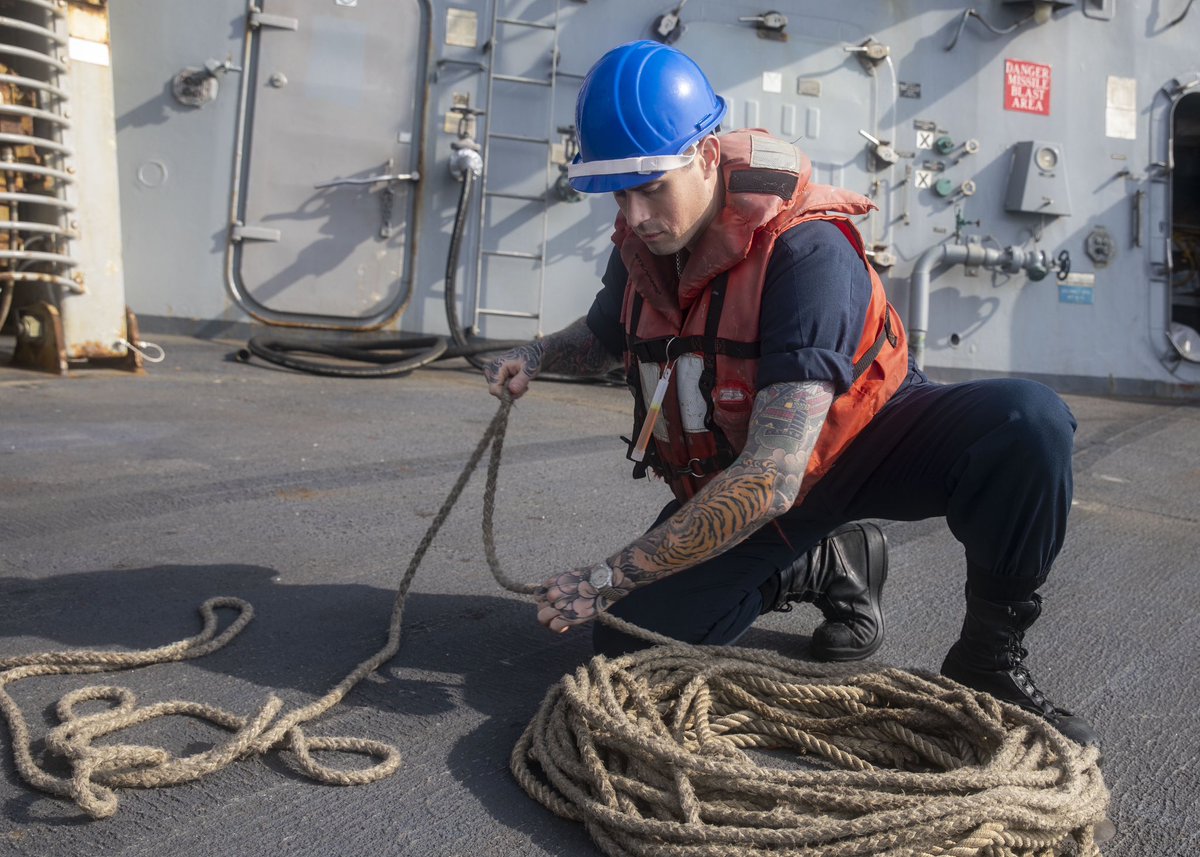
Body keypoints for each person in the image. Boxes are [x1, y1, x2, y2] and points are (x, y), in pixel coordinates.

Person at [483, 40, 1097, 747]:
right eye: (620, 193)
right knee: (630, 650)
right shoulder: (645, 251)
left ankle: (988, 654)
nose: (638, 212)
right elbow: (603, 337)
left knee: (1028, 424)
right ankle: (817, 561)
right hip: (759, 480)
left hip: (869, 440)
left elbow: (774, 474)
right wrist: (531, 354)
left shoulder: (806, 252)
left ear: (708, 155)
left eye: (652, 186)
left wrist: (610, 571)